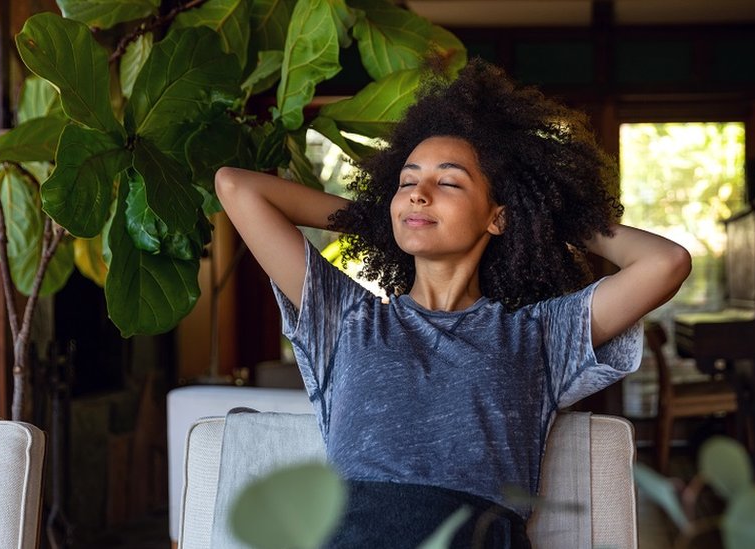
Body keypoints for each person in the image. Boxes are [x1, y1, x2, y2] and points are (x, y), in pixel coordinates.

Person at [215, 60, 691, 549]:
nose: (418, 195)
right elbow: (236, 186)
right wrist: (384, 221)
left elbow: (666, 262)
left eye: (448, 183)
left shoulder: (540, 336)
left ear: (497, 217)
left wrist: (543, 217)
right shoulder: (347, 317)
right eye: (405, 182)